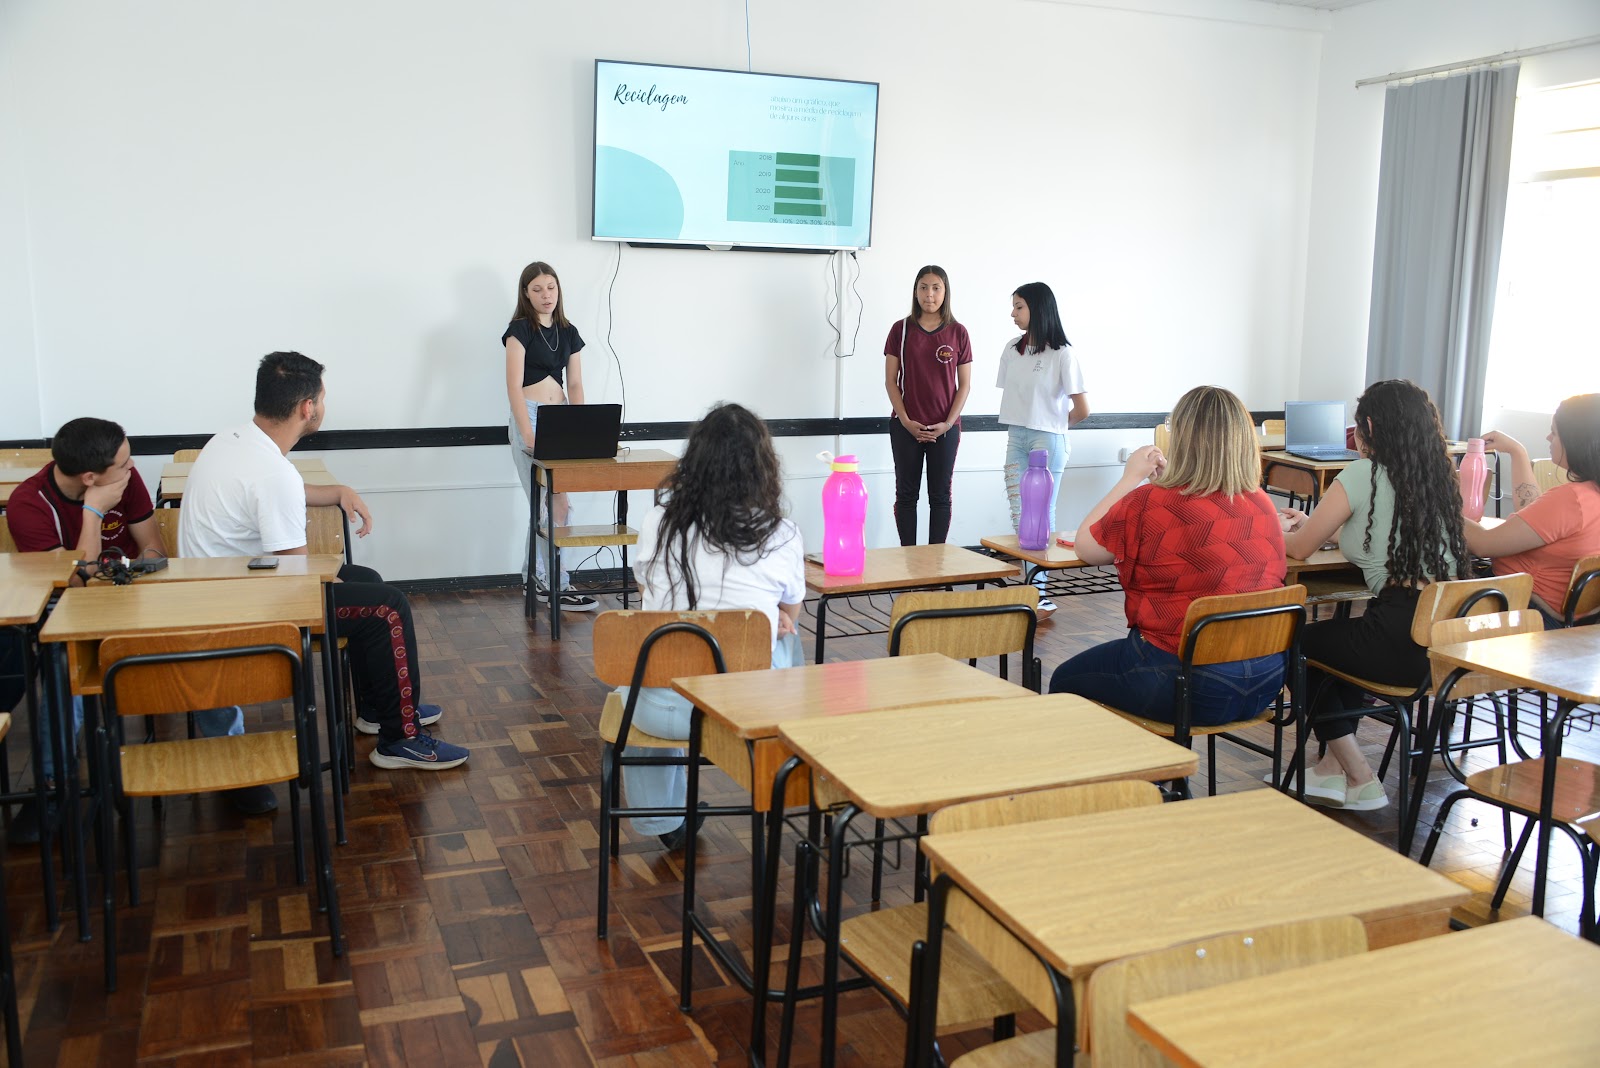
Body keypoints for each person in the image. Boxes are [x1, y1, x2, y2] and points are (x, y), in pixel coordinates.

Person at [181, 351, 469, 799]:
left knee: (367, 578)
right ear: (307, 408)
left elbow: (280, 493)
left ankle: (378, 711)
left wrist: (336, 491)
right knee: (388, 607)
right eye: (323, 398)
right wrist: (331, 584)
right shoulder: (271, 471)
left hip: (224, 587)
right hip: (246, 607)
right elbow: (298, 580)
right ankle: (401, 739)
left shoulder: (233, 440)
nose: (324, 405)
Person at [617, 402, 805, 850]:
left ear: (693, 463)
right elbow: (791, 612)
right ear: (763, 469)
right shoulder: (781, 533)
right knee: (788, 639)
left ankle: (663, 818)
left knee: (654, 653)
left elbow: (647, 594)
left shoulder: (657, 522)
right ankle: (778, 784)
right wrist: (772, 620)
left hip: (658, 712)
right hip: (749, 708)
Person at [1049, 386, 1287, 727]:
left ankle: (1130, 761)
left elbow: (1086, 546)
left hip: (1187, 685)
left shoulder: (1148, 502)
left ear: (1182, 438)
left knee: (1064, 681)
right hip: (1266, 681)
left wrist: (1130, 479)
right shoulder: (1261, 501)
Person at [1281, 379, 1469, 812]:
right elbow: (1382, 533)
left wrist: (1276, 527)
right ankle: (1330, 770)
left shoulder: (1362, 473)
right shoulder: (1437, 479)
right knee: (1339, 649)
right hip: (1444, 642)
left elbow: (1299, 549)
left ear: (1368, 426)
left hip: (1400, 637)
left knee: (1293, 643)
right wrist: (1322, 526)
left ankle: (1360, 775)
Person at [6, 417, 169, 843]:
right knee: (64, 663)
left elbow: (153, 548)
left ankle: (226, 754)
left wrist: (133, 571)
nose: (132, 468)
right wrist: (93, 512)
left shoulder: (125, 480)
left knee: (203, 638)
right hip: (65, 609)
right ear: (90, 478)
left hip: (130, 595)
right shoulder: (28, 504)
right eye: (123, 463)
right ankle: (51, 786)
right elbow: (74, 583)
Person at [503, 260, 596, 611]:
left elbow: (575, 384)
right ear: (526, 293)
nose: (546, 295)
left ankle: (537, 577)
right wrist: (527, 432)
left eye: (551, 287)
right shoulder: (519, 330)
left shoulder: (568, 332)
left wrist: (581, 426)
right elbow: (513, 386)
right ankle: (555, 583)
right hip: (528, 416)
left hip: (560, 419)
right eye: (538, 289)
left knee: (559, 503)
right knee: (543, 502)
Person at [1465, 394, 1600, 627]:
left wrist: (1437, 504)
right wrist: (1517, 451)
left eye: (1554, 433)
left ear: (1577, 442)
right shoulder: (1589, 496)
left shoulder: (1572, 500)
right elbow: (1535, 516)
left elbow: (1483, 544)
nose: (1548, 437)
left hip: (1525, 611)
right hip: (1570, 620)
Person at [997, 282, 1089, 618]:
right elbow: (1017, 396)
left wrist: (1056, 428)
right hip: (1016, 435)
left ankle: (1040, 595)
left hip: (1047, 441)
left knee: (1040, 515)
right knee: (1020, 515)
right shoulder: (1012, 349)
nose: (1013, 313)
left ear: (1038, 308)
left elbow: (1082, 409)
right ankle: (1031, 590)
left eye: (1019, 306)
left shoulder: (1063, 353)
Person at [883, 265, 972, 547]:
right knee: (906, 496)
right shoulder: (900, 330)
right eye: (923, 287)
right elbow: (890, 381)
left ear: (945, 293)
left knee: (940, 497)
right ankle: (908, 559)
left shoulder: (958, 332)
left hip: (945, 429)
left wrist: (947, 424)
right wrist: (907, 421)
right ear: (915, 291)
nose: (929, 294)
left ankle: (936, 562)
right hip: (905, 427)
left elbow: (964, 385)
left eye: (936, 288)